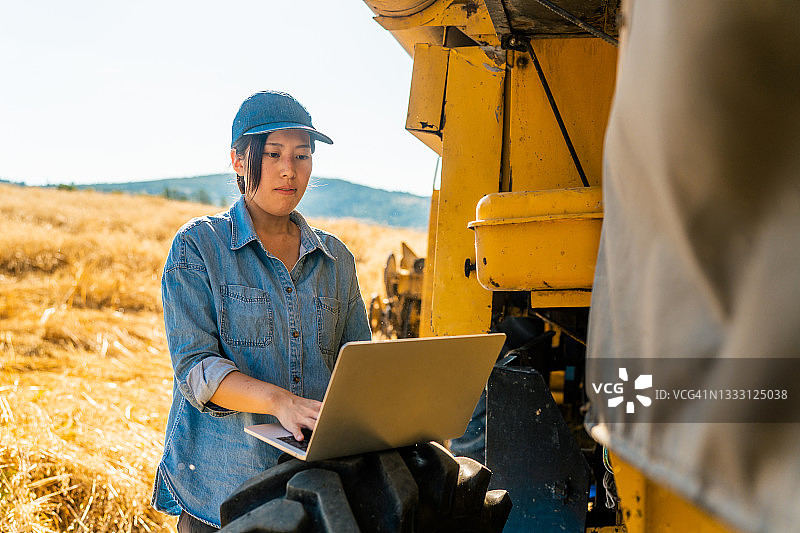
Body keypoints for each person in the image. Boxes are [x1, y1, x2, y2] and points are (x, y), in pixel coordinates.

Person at [151, 91, 372, 531]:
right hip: (223, 493)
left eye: (302, 155)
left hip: (315, 492)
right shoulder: (199, 247)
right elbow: (196, 369)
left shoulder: (336, 260)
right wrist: (279, 402)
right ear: (238, 160)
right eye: (273, 154)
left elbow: (359, 365)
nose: (289, 170)